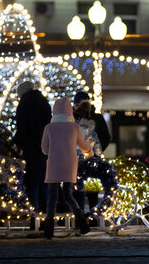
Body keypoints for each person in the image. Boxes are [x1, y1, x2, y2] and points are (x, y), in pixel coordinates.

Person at [41, 97, 93, 239]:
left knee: (52, 196)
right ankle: (83, 224)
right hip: (70, 165)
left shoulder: (49, 128)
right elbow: (84, 145)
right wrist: (89, 153)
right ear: (69, 110)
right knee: (68, 195)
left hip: (54, 165)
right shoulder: (74, 127)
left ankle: (49, 230)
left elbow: (44, 150)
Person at [13, 80, 52, 228]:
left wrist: (16, 142)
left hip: (30, 148)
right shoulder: (44, 103)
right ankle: (46, 219)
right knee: (44, 184)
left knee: (31, 185)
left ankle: (34, 220)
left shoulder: (24, 105)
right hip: (44, 148)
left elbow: (22, 128)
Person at [73, 98, 103, 215]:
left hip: (74, 163)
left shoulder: (73, 128)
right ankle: (93, 216)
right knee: (92, 191)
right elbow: (98, 150)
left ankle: (78, 217)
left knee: (77, 191)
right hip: (89, 163)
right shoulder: (91, 131)